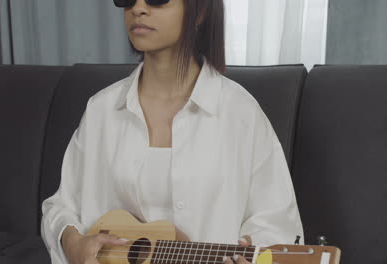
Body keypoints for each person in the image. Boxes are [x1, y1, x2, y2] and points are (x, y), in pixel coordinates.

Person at [41, 0, 304, 264]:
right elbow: (61, 205)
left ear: (199, 11)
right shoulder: (101, 109)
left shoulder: (241, 113)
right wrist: (73, 243)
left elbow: (277, 224)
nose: (138, 9)